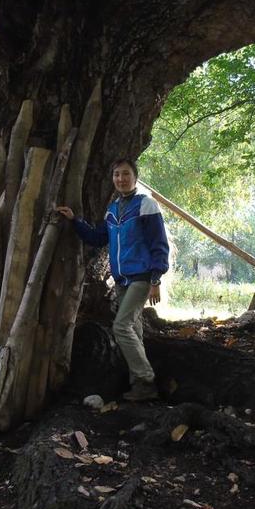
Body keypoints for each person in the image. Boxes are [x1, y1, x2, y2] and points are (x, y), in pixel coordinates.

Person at [56, 158, 168, 402]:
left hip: (141, 276)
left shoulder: (145, 204)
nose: (121, 178)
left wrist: (156, 279)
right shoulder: (113, 209)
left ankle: (146, 380)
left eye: (125, 174)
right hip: (122, 280)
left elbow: (159, 244)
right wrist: (75, 220)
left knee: (121, 325)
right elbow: (97, 238)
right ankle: (138, 384)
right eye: (117, 174)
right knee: (134, 330)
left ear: (135, 177)